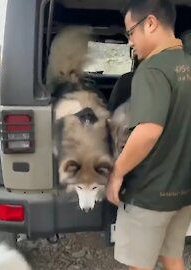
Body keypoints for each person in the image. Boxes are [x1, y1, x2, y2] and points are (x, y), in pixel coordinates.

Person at [106, 0, 191, 269]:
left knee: (139, 265)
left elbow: (148, 132)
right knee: (173, 257)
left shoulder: (151, 70)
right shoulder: (187, 64)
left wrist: (117, 173)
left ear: (151, 23)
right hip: (183, 193)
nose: (130, 41)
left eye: (130, 33)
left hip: (149, 196)